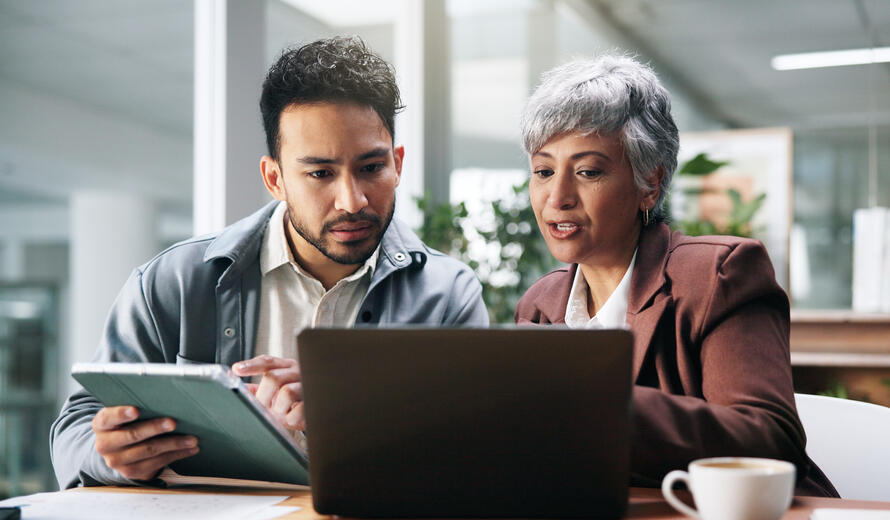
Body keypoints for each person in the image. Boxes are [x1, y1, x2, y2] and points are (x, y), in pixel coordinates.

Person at [51, 36, 488, 489]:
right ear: (274, 178)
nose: (351, 200)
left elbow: (475, 458)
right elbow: (75, 431)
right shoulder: (171, 282)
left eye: (371, 168)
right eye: (320, 173)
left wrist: (352, 416)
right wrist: (109, 455)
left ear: (397, 164)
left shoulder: (447, 296)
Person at [513, 53, 837, 497]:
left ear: (650, 180)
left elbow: (768, 439)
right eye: (543, 171)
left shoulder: (718, 273)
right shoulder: (540, 303)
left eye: (588, 171)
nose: (558, 197)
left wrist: (594, 406)